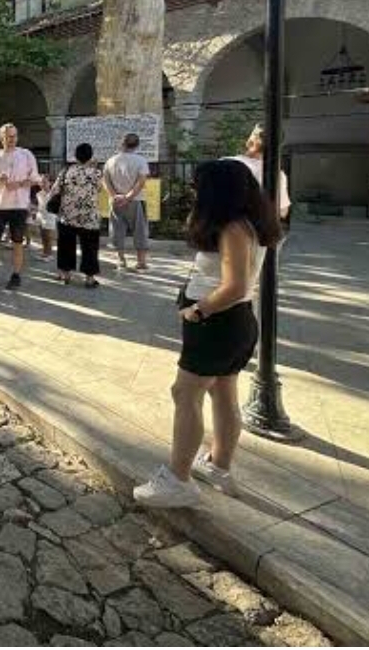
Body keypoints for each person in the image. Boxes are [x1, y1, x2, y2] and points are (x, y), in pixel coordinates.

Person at [134, 159, 281, 508]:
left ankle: (178, 480)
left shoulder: (232, 227)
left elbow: (234, 285)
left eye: (199, 187)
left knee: (185, 394)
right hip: (235, 323)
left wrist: (199, 310)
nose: (194, 192)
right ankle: (218, 464)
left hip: (218, 323)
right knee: (224, 392)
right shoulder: (249, 223)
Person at [0, 123, 41, 292]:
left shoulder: (26, 155)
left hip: (19, 205)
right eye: (7, 137)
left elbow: (35, 179)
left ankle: (16, 275)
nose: (10, 139)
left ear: (17, 137)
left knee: (17, 242)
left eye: (13, 136)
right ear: (1, 138)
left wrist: (20, 184)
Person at [51, 143, 104, 288]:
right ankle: (89, 278)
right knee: (90, 248)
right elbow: (100, 189)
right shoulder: (96, 173)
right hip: (89, 217)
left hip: (67, 215)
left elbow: (55, 190)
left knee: (65, 245)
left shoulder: (66, 171)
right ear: (91, 156)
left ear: (75, 156)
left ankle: (65, 274)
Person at [103, 133, 150, 271]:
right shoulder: (140, 160)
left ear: (121, 144)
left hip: (116, 200)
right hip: (136, 200)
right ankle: (141, 262)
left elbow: (105, 181)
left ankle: (121, 260)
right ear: (137, 145)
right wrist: (128, 197)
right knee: (140, 230)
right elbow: (141, 182)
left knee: (117, 229)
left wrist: (114, 196)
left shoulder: (111, 160)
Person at [226, 125, 291, 219]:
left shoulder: (225, 163)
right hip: (255, 229)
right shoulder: (277, 174)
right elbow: (282, 212)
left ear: (251, 141)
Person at [33, 175, 58, 260]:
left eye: (45, 182)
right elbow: (40, 205)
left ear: (50, 183)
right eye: (41, 182)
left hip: (49, 217)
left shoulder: (53, 193)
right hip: (40, 216)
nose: (42, 184)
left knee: (48, 236)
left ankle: (49, 254)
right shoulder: (38, 194)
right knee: (43, 236)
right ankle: (44, 252)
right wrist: (34, 210)